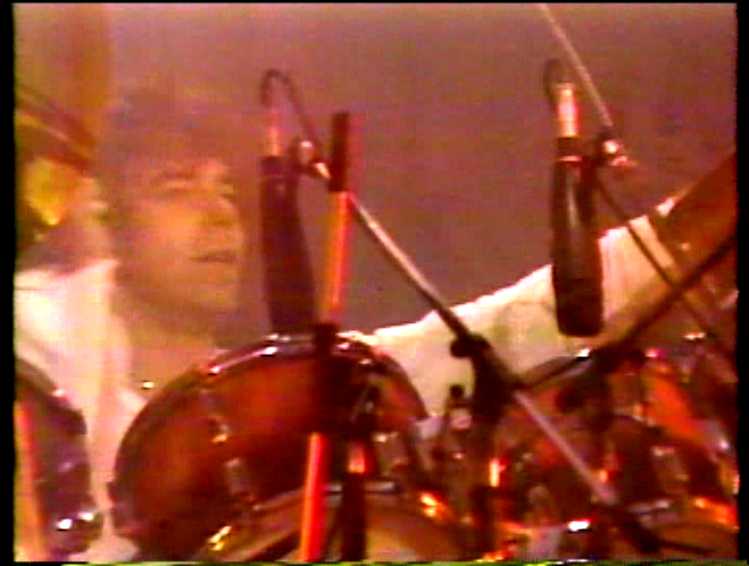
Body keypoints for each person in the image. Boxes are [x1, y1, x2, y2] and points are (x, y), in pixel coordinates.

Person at [14, 87, 736, 562]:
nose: (219, 216)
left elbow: (512, 328)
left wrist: (700, 221)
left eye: (227, 190)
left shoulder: (293, 394)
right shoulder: (41, 346)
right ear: (98, 215)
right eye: (175, 189)